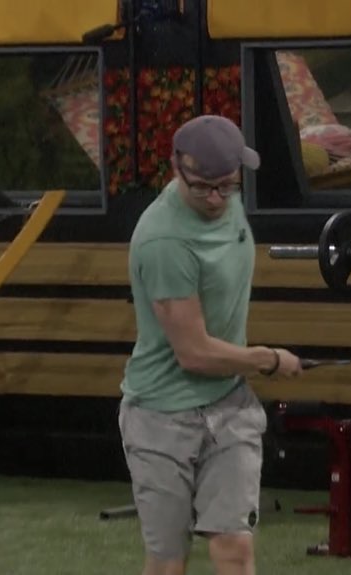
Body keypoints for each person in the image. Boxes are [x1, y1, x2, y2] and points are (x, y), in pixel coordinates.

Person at [119, 114, 302, 575]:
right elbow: (195, 354)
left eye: (226, 185)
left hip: (229, 406)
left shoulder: (228, 201)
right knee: (169, 564)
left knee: (234, 550)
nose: (216, 198)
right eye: (202, 187)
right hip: (161, 418)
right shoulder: (163, 240)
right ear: (175, 167)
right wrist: (266, 359)